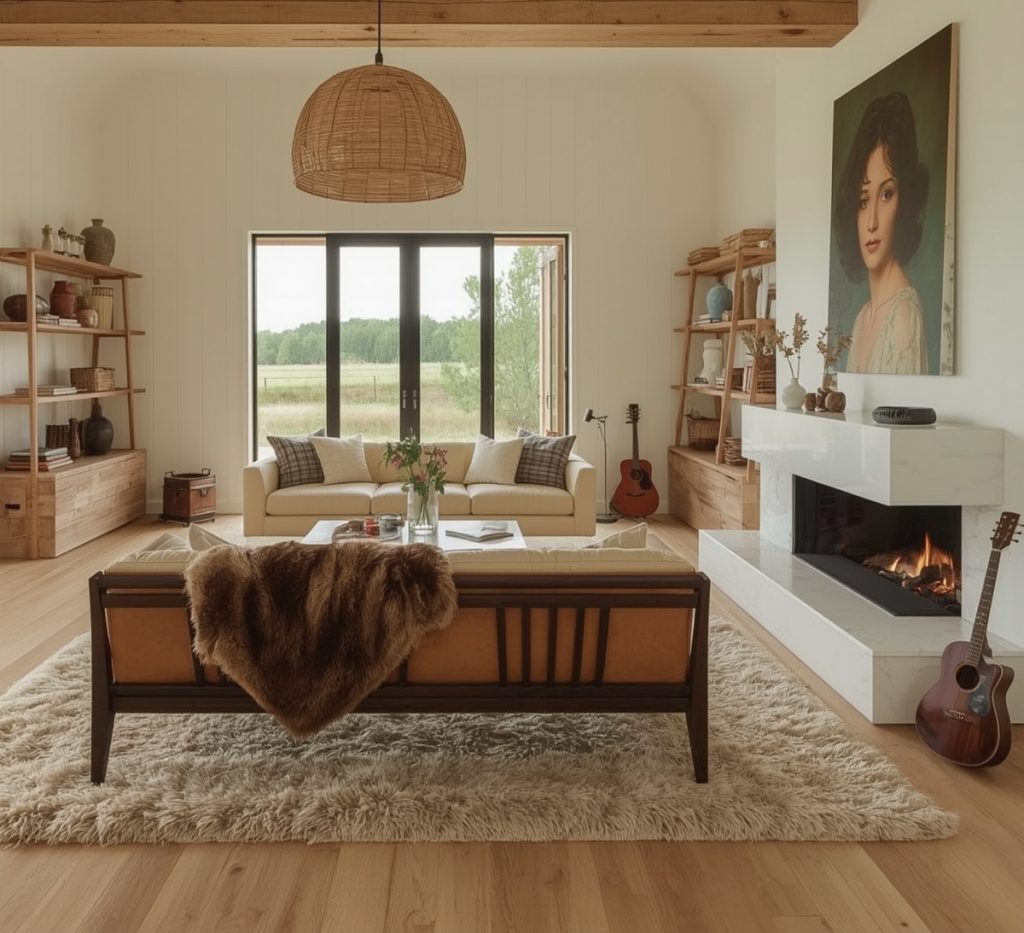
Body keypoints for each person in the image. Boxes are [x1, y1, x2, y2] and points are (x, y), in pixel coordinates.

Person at [834, 91, 929, 374]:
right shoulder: (862, 319)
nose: (871, 221)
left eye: (886, 194)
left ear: (905, 200)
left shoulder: (904, 315)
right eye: (863, 201)